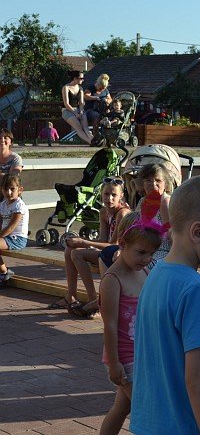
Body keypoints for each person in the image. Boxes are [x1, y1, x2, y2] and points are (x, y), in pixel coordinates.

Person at [130, 175, 200, 434]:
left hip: (151, 423)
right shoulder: (198, 290)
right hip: (186, 426)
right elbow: (197, 376)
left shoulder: (155, 275)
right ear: (197, 232)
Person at [98, 211, 162, 434]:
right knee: (150, 410)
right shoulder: (112, 280)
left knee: (122, 407)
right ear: (123, 244)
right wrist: (114, 362)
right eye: (141, 252)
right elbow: (110, 325)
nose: (147, 259)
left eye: (151, 254)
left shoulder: (144, 270)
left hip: (143, 353)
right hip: (125, 358)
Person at [55, 178, 131, 318]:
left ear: (121, 196)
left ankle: (94, 302)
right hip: (109, 251)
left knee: (77, 254)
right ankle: (71, 295)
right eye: (106, 194)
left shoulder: (122, 213)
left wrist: (84, 242)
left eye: (114, 195)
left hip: (120, 254)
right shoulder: (104, 212)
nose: (109, 198)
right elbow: (103, 240)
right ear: (101, 194)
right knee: (69, 249)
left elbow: (113, 245)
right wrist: (80, 241)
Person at [137, 163, 173, 269]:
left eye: (158, 180)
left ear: (165, 184)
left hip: (161, 251)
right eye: (148, 180)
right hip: (143, 249)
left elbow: (171, 233)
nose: (153, 184)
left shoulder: (164, 201)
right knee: (108, 255)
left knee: (141, 267)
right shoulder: (142, 201)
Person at [0, 175, 28, 286]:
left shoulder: (19, 206)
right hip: (5, 236)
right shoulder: (2, 205)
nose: (9, 192)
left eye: (12, 189)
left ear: (20, 190)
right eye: (5, 189)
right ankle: (4, 272)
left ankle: (4, 273)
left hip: (18, 239)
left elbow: (11, 228)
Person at [61, 70, 93, 144]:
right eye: (81, 78)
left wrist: (81, 111)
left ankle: (94, 140)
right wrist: (75, 113)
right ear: (75, 78)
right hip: (67, 110)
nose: (83, 80)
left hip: (78, 110)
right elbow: (66, 104)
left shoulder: (80, 88)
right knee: (78, 127)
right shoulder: (66, 88)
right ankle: (90, 142)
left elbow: (81, 102)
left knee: (85, 127)